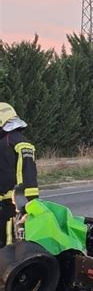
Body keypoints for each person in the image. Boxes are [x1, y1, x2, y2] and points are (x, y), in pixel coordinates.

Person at [0, 102, 39, 248]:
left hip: (11, 207)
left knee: (8, 247)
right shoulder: (5, 142)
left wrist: (27, 207)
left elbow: (28, 177)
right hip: (4, 207)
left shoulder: (19, 142)